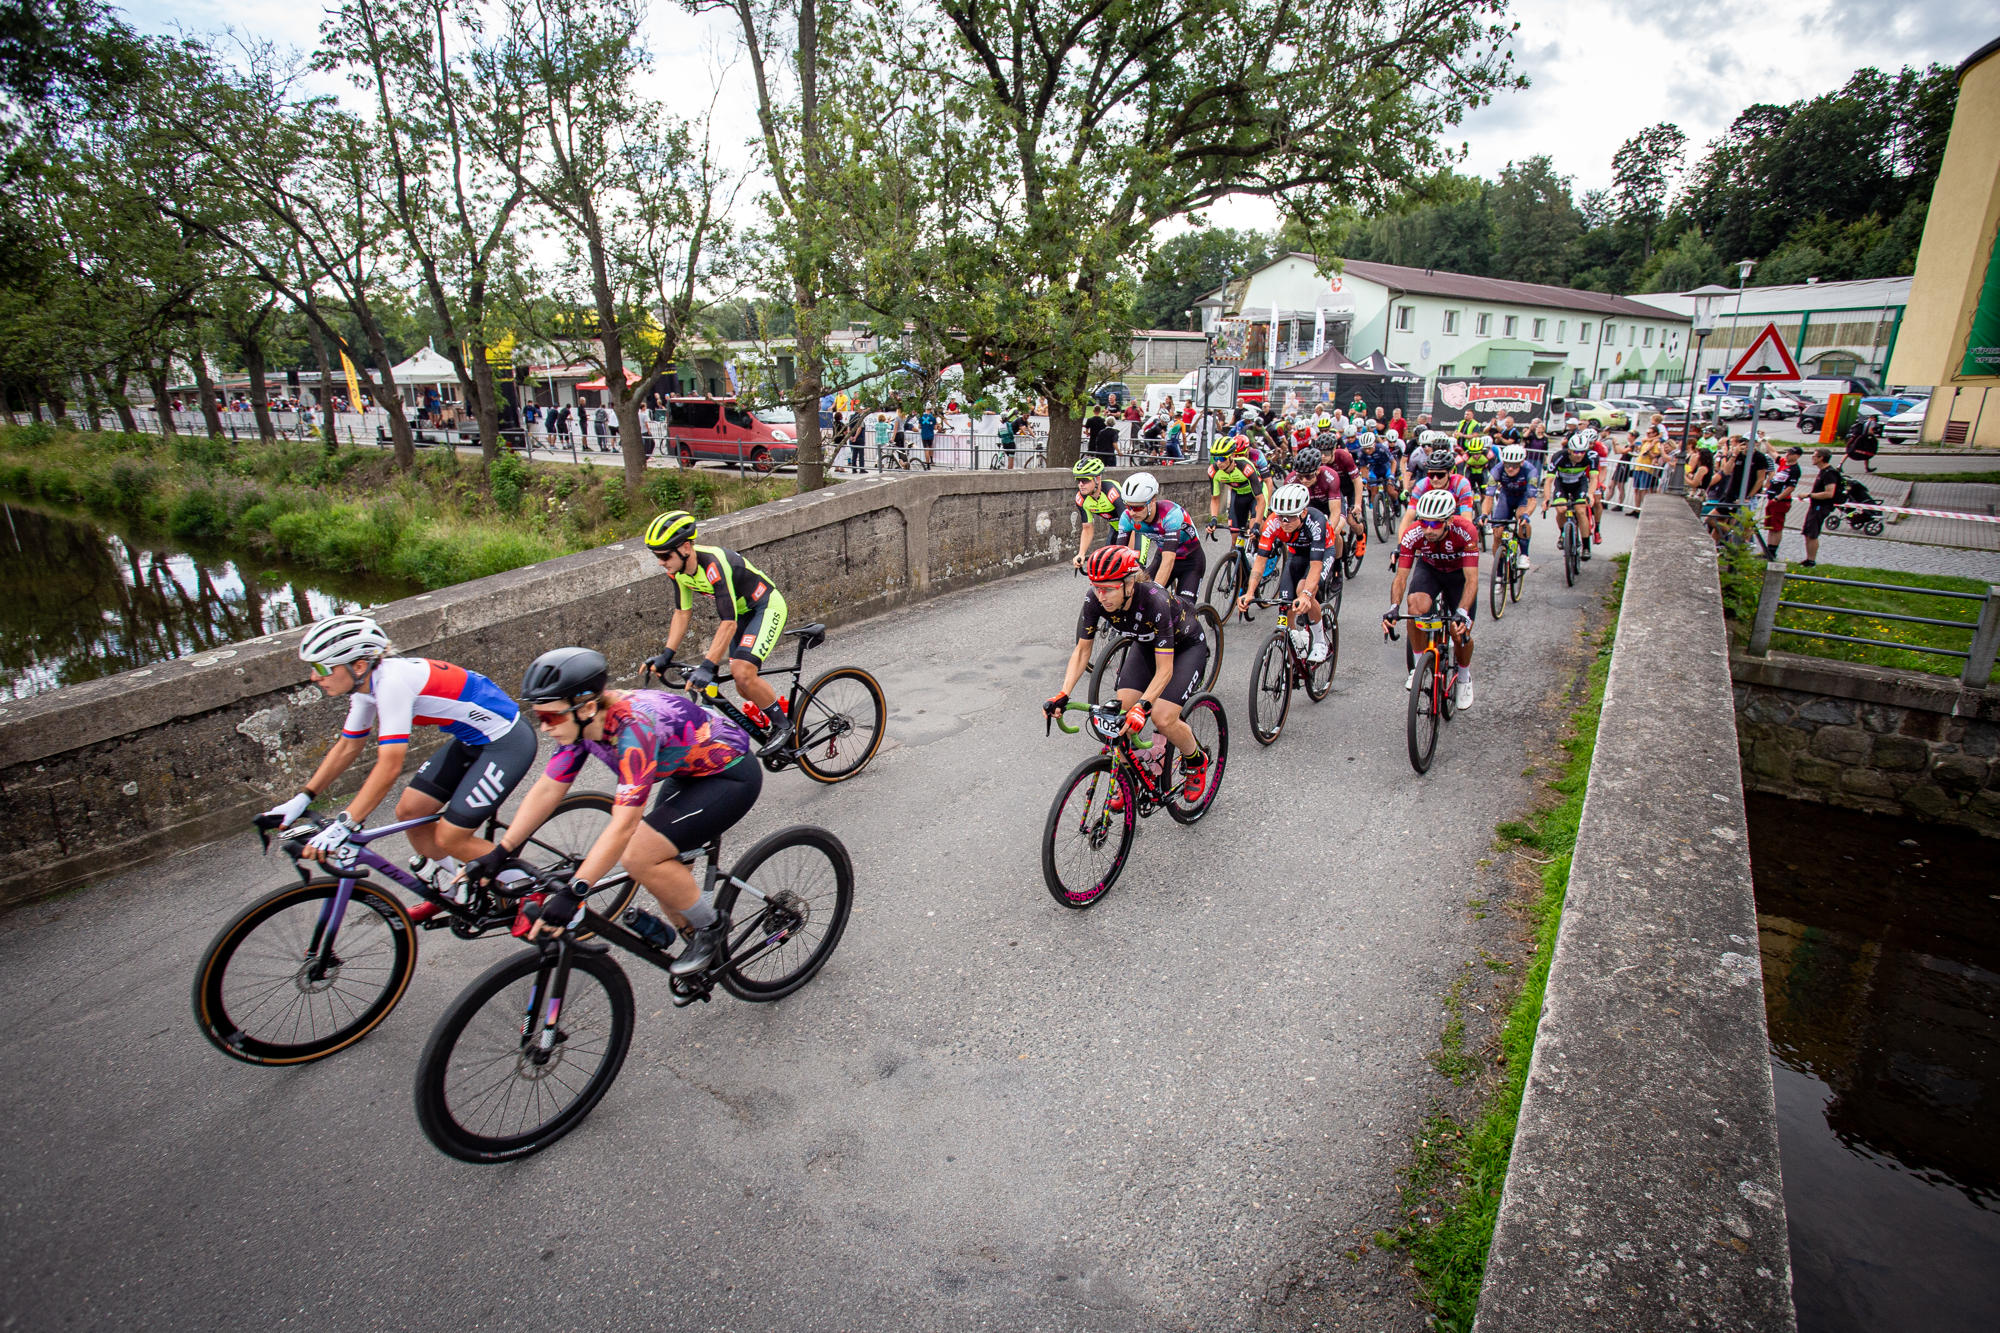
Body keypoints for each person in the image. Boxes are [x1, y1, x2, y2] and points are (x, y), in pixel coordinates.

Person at [491, 647, 756, 978]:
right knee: (664, 880)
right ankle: (701, 952)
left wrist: (576, 890)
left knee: (640, 856)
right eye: (539, 717)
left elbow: (623, 825)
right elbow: (547, 789)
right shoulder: (582, 724)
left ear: (587, 707)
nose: (545, 728)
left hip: (729, 775)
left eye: (551, 717)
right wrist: (500, 852)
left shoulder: (633, 731)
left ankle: (712, 928)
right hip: (687, 773)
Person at [261, 615, 535, 893]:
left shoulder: (392, 684)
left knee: (451, 837)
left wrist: (346, 823)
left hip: (506, 742)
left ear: (358, 665)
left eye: (322, 667)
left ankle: (537, 893)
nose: (314, 677)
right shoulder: (365, 688)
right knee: (410, 811)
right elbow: (348, 746)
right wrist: (303, 797)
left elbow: (390, 767)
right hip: (471, 740)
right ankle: (453, 890)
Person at [1043, 545, 1212, 806]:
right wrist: (1063, 693)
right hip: (1145, 645)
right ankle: (1129, 778)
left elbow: (1165, 670)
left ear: (1129, 583)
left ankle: (1196, 760)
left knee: (1162, 716)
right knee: (1117, 714)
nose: (1102, 596)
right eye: (1097, 587)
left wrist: (1143, 707)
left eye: (1109, 588)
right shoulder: (1094, 599)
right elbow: (1081, 651)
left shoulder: (1155, 600)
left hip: (1185, 648)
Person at [642, 509, 792, 754]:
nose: (661, 561)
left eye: (665, 554)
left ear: (686, 547)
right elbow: (682, 612)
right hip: (742, 614)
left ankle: (784, 726)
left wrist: (708, 665)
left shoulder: (714, 563)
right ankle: (773, 713)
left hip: (765, 606)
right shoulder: (677, 572)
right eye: (656, 556)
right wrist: (666, 655)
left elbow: (728, 622)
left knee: (742, 672)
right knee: (744, 686)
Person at [1384, 487, 1481, 708]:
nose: (1428, 529)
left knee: (1460, 632)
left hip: (1459, 576)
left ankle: (1464, 677)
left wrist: (1463, 613)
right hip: (1430, 570)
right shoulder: (1414, 533)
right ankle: (1419, 666)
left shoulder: (1466, 531)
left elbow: (1472, 579)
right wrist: (1393, 607)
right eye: (1424, 522)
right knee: (1415, 608)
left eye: (1435, 523)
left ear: (1448, 520)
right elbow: (1401, 577)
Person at [1240, 482, 1332, 662]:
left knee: (1303, 590)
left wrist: (1306, 595)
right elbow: (1260, 561)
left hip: (1321, 554)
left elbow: (1315, 566)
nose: (1284, 522)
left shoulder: (1317, 521)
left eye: (1290, 518)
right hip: (1297, 554)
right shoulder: (1272, 523)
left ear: (1303, 513)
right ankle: (1297, 640)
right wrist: (1250, 592)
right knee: (1285, 601)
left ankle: (1321, 642)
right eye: (1281, 516)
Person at [1115, 471, 1206, 602]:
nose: (1132, 512)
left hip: (1190, 561)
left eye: (1138, 508)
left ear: (1152, 501)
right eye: (1128, 506)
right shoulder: (1127, 517)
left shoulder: (1170, 514)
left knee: (1185, 610)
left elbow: (1169, 558)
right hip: (1161, 555)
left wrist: (1154, 594)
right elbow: (1119, 553)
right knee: (1140, 598)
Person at [1206, 433, 1273, 540]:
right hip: (1238, 494)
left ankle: (1261, 551)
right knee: (1235, 537)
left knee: (1254, 529)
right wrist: (1214, 519)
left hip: (1255, 494)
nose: (1218, 462)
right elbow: (1214, 498)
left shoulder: (1245, 466)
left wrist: (1257, 524)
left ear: (1232, 456)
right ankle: (1236, 555)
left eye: (1222, 458)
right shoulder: (1213, 471)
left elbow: (1261, 498)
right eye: (1216, 458)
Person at [1483, 443, 1537, 571]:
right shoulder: (1497, 469)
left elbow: (1532, 499)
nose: (1510, 468)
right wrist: (1484, 514)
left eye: (1514, 465)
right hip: (1506, 497)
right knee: (1497, 533)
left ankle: (1524, 554)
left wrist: (1527, 514)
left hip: (1523, 497)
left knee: (1521, 518)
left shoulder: (1530, 470)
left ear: (1521, 463)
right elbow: (1489, 496)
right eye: (1507, 464)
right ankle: (1499, 572)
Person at [1543, 432, 1599, 551]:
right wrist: (1546, 499)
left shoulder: (1592, 456)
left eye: (1582, 452)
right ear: (1569, 450)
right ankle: (1563, 533)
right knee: (1561, 509)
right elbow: (1548, 481)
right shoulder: (1558, 456)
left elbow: (1594, 478)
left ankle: (1586, 547)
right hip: (1562, 483)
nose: (1579, 455)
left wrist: (1590, 494)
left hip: (1579, 484)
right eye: (1576, 452)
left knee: (1580, 511)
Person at [1071, 457, 1124, 568]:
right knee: (1106, 566)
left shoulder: (1111, 491)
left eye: (1085, 480)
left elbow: (1130, 524)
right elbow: (1087, 528)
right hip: (1116, 529)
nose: (1081, 484)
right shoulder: (1082, 499)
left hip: (1136, 529)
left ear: (1097, 479)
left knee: (1135, 568)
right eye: (1078, 480)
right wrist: (1081, 554)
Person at [1800, 448, 1843, 567]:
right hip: (1815, 505)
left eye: (1814, 456)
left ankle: (1811, 561)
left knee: (1812, 533)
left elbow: (1829, 493)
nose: (1812, 458)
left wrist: (1809, 495)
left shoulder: (1830, 473)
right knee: (1808, 532)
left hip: (1821, 507)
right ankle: (1808, 559)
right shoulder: (1823, 471)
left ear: (1821, 458)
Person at [1762, 446, 1803, 558]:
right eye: (1788, 452)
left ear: (1797, 456)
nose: (1788, 454)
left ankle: (1772, 550)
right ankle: (1768, 549)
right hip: (1772, 499)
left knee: (1777, 527)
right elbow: (1773, 453)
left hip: (1780, 501)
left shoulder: (1795, 469)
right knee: (1770, 527)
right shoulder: (1784, 462)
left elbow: (1790, 487)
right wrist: (1765, 442)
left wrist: (1778, 498)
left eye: (1791, 453)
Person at [918, 405, 938, 470]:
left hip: (924, 434)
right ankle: (931, 460)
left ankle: (928, 464)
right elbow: (935, 428)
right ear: (930, 410)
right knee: (930, 447)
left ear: (925, 410)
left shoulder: (921, 418)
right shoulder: (933, 418)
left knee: (926, 449)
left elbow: (919, 426)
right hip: (931, 434)